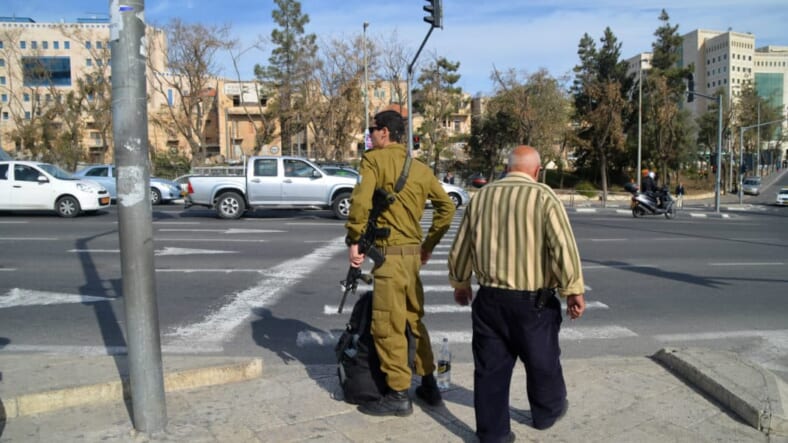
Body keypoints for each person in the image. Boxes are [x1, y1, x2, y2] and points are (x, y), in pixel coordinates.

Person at [448, 145, 586, 442]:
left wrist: (460, 283)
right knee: (543, 361)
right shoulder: (544, 196)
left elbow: (462, 245)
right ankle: (546, 413)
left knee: (489, 370)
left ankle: (493, 434)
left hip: (489, 300)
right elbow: (562, 247)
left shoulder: (481, 197)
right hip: (533, 303)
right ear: (536, 171)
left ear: (508, 167)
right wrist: (573, 290)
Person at [345, 109, 456, 417]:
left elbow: (361, 203)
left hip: (389, 256)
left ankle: (397, 394)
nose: (370, 135)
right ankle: (429, 384)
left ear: (385, 133)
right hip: (412, 256)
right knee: (413, 321)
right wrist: (429, 245)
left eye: (372, 129)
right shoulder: (420, 168)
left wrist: (355, 238)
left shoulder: (373, 161)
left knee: (387, 325)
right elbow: (446, 208)